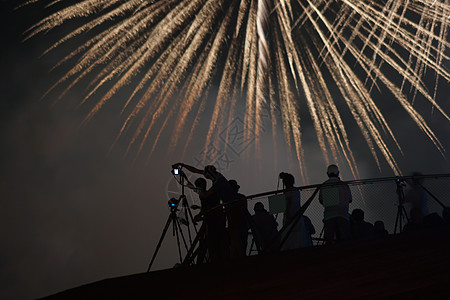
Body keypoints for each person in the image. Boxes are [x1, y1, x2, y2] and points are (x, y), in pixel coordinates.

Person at [174, 163, 246, 258]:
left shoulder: (218, 183)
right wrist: (182, 165)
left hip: (233, 207)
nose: (206, 177)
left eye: (206, 175)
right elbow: (196, 170)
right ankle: (237, 255)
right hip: (230, 207)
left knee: (234, 234)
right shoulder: (218, 177)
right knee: (233, 234)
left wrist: (191, 186)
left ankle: (238, 256)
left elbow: (205, 195)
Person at [193, 178, 228, 263]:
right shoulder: (210, 194)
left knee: (213, 243)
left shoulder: (206, 195)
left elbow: (208, 208)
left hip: (213, 223)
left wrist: (199, 215)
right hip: (215, 221)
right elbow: (209, 207)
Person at [319, 164, 352, 244]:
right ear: (338, 173)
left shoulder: (324, 185)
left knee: (329, 240)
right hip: (343, 214)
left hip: (329, 215)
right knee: (345, 240)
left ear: (327, 173)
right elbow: (350, 200)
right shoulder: (344, 185)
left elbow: (321, 200)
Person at [279, 172, 312, 249]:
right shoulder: (296, 191)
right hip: (298, 219)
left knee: (288, 240)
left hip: (290, 219)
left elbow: (289, 204)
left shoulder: (288, 193)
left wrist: (288, 216)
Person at [228, 179, 250, 255]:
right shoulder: (242, 197)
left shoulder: (228, 199)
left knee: (235, 245)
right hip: (243, 224)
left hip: (234, 226)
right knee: (243, 244)